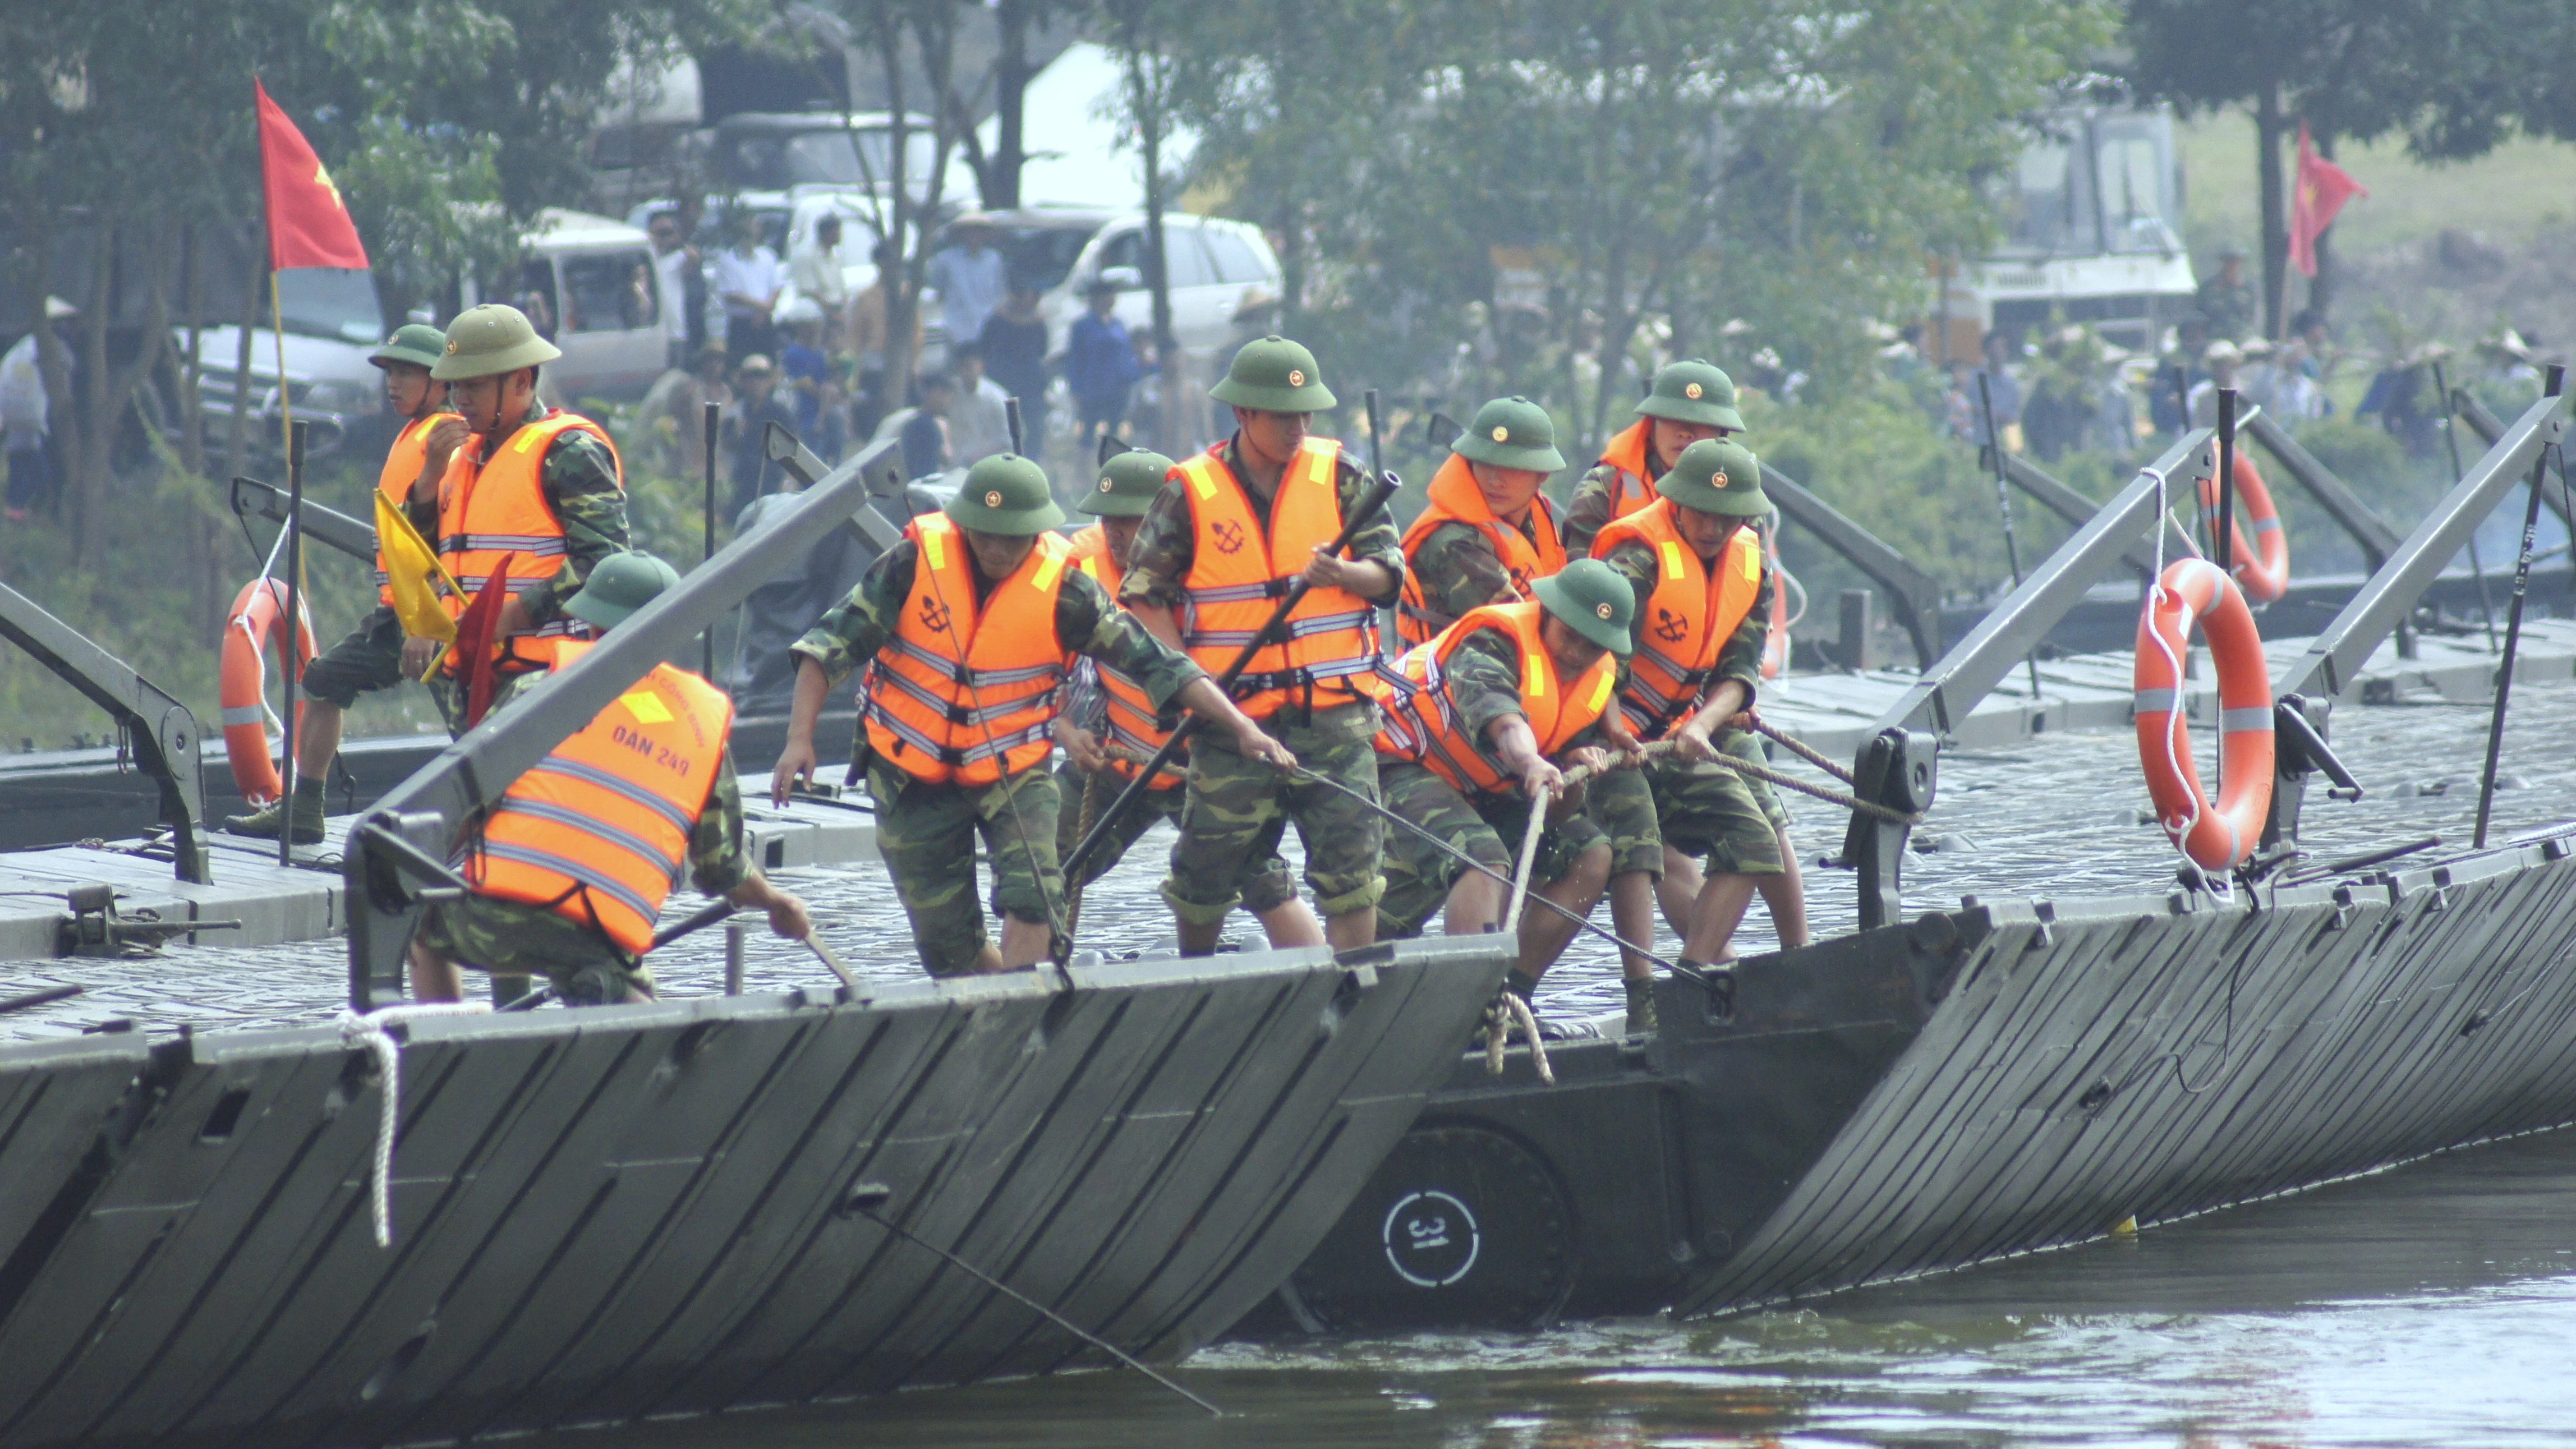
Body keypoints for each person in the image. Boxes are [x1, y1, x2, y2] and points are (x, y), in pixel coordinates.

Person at [770, 454, 1294, 976]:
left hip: (1011, 771)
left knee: (1035, 889)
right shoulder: (910, 566)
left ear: (1035, 532)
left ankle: (1024, 1002)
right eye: (985, 534)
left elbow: (1162, 665)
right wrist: (800, 739)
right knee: (946, 948)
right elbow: (824, 649)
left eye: (1012, 537)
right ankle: (1002, 1002)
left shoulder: (1068, 593)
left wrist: (1243, 728)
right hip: (909, 774)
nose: (997, 548)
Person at [408, 552, 811, 1005]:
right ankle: (624, 1013)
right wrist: (778, 903)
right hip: (601, 935)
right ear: (671, 634)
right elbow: (723, 870)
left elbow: (467, 804)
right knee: (635, 1006)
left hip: (499, 920)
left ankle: (445, 1050)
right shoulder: (701, 730)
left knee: (418, 925)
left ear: (590, 624)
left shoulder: (535, 692)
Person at [1118, 335, 1404, 955]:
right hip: (1232, 722)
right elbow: (1143, 594)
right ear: (1243, 414)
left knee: (1352, 876)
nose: (1297, 428)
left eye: (1305, 414)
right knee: (1204, 873)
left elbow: (1389, 575)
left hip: (1336, 719)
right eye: (1281, 415)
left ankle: (1352, 993)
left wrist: (1344, 575)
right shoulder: (1189, 489)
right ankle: (1195, 984)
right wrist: (1185, 678)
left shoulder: (1342, 475)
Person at [1390, 395, 1665, 1032]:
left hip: (1520, 734)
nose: (1496, 474)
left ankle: (1515, 998)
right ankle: (1459, 1018)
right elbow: (1504, 685)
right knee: (1454, 872)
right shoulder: (1453, 544)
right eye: (1485, 460)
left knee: (1597, 842)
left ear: (1540, 476)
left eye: (1513, 466)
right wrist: (1538, 754)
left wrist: (1585, 749)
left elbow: (1567, 645)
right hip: (1436, 734)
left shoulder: (1542, 526)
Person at [1372, 560, 1637, 1019]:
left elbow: (1551, 815)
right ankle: (1466, 1015)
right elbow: (1502, 719)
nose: (1577, 652)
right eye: (1570, 635)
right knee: (1481, 859)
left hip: (1482, 787)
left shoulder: (1597, 679)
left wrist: (1570, 772)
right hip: (1398, 758)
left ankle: (1508, 1001)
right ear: (1548, 613)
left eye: (1593, 645)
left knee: (1590, 852)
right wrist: (1533, 762)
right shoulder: (1492, 640)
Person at [227, 324, 461, 843]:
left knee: (474, 726)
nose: (393, 383)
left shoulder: (447, 438)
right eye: (390, 373)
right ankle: (305, 812)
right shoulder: (413, 432)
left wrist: (433, 617)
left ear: (441, 382)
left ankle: (506, 825)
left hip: (434, 613)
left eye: (406, 373)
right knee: (325, 680)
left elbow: (452, 533)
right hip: (398, 612)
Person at [1052, 447, 1300, 914]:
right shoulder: (1078, 572)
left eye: (1129, 520)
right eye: (1107, 519)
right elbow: (1043, 674)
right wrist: (1069, 732)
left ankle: (1312, 975)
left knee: (1261, 881)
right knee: (1038, 872)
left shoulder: (1212, 573)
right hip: (1121, 762)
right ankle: (1025, 975)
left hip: (1204, 760)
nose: (1115, 532)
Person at [1590, 439, 1803, 971]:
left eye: (1728, 519)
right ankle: (1644, 996)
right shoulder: (1636, 560)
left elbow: (1740, 672)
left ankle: (1708, 970)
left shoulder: (1751, 563)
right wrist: (1616, 732)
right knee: (1637, 846)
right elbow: (1593, 663)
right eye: (1703, 515)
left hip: (1681, 731)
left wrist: (1703, 726)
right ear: (1677, 502)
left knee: (1757, 835)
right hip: (1604, 735)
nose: (1713, 529)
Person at [417, 303, 633, 730]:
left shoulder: (570, 452)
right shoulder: (464, 457)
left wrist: (514, 615)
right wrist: (428, 477)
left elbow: (606, 564)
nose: (460, 400)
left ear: (521, 380)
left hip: (544, 675)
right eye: (456, 386)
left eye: (474, 386)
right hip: (474, 673)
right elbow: (424, 551)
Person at [1562, 360, 1745, 556]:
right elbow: (1579, 576)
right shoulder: (1603, 488)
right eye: (1671, 418)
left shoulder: (1743, 499)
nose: (1685, 433)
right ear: (1653, 423)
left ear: (1722, 433)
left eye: (1703, 422)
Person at [0, 300, 65, 523]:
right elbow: (70, 366)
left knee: (19, 463)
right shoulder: (50, 347)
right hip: (34, 417)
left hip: (13, 415)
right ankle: (21, 511)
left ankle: (14, 511)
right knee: (39, 471)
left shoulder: (20, 348)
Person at [1066, 279, 1142, 449]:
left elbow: (1126, 354)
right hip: (1092, 387)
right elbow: (1075, 359)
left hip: (1117, 387)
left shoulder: (1118, 324)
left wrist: (1131, 377)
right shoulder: (1083, 326)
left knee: (1115, 431)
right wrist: (1076, 387)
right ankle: (1083, 468)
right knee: (1088, 431)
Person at [724, 353, 798, 514]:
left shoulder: (781, 414)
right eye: (751, 377)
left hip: (773, 483)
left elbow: (792, 452)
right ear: (742, 382)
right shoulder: (735, 413)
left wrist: (788, 481)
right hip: (743, 484)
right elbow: (725, 449)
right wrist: (736, 435)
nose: (756, 383)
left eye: (762, 377)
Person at [979, 281, 1051, 448]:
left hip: (1030, 386)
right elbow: (985, 349)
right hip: (1002, 382)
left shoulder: (1038, 323)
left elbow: (1042, 350)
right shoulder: (997, 320)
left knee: (1033, 429)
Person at [927, 214, 1008, 355]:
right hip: (957, 327)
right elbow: (936, 287)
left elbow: (1000, 292)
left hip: (988, 327)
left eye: (978, 231)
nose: (974, 236)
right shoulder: (945, 260)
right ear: (961, 234)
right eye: (969, 231)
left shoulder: (994, 260)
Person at [713, 211, 783, 363]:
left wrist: (764, 311)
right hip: (742, 324)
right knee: (740, 365)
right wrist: (762, 306)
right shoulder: (728, 260)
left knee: (767, 364)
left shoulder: (768, 257)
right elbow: (732, 295)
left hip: (765, 322)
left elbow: (776, 288)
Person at [646, 210, 702, 369]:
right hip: (651, 333)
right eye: (659, 233)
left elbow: (694, 258)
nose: (662, 237)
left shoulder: (678, 258)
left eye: (667, 233)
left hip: (675, 332)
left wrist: (678, 238)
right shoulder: (644, 260)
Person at [789, 214, 852, 348]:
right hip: (817, 314)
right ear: (827, 233)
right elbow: (809, 291)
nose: (840, 235)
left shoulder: (835, 256)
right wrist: (833, 314)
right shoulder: (806, 256)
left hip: (836, 311)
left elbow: (842, 289)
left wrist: (844, 312)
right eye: (837, 231)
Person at [946, 341, 1014, 463]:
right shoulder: (951, 391)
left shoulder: (996, 398)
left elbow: (1009, 440)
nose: (965, 372)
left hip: (990, 464)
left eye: (969, 367)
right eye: (962, 367)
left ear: (981, 366)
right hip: (955, 463)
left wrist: (979, 457)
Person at [899, 371, 956, 480]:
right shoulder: (931, 425)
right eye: (945, 394)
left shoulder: (911, 421)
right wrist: (944, 431)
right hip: (924, 486)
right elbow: (947, 458)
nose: (948, 401)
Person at [2196, 246, 2257, 342]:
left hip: (2242, 337)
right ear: (2222, 262)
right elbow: (2199, 314)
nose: (2232, 265)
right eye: (2228, 261)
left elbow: (2251, 315)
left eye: (2236, 261)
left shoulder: (2247, 288)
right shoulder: (2208, 288)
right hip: (2214, 339)